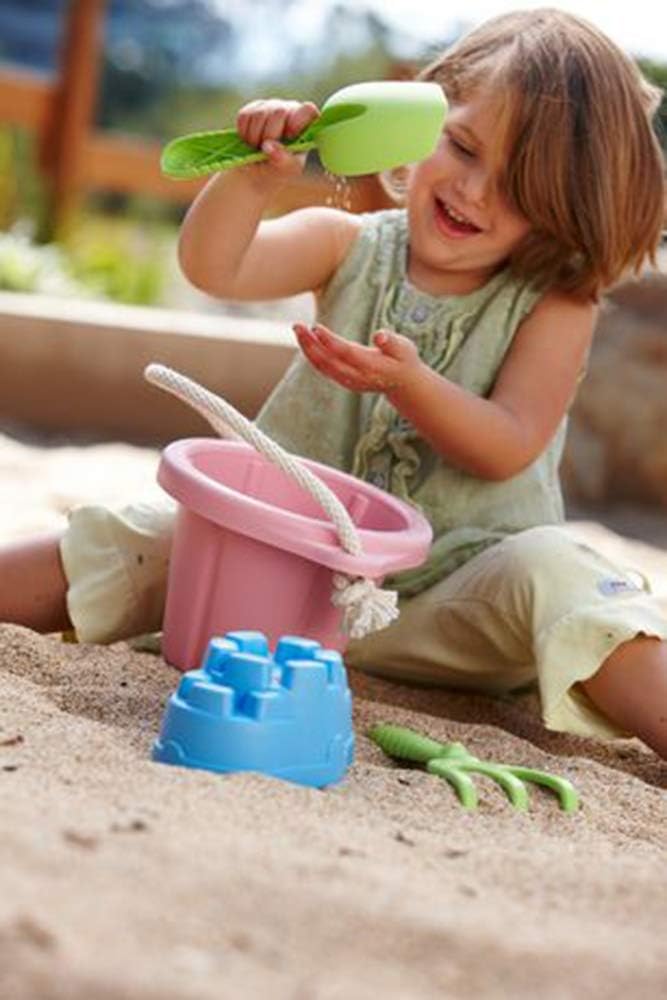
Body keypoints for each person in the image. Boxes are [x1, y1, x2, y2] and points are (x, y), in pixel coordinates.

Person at [2, 8, 666, 755]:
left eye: (518, 186)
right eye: (462, 146)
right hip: (285, 586)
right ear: (422, 117)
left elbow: (508, 443)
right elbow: (217, 267)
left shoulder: (552, 301)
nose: (475, 191)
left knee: (559, 569)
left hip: (456, 613)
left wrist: (411, 385)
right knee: (153, 532)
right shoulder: (346, 245)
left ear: (562, 207)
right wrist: (252, 182)